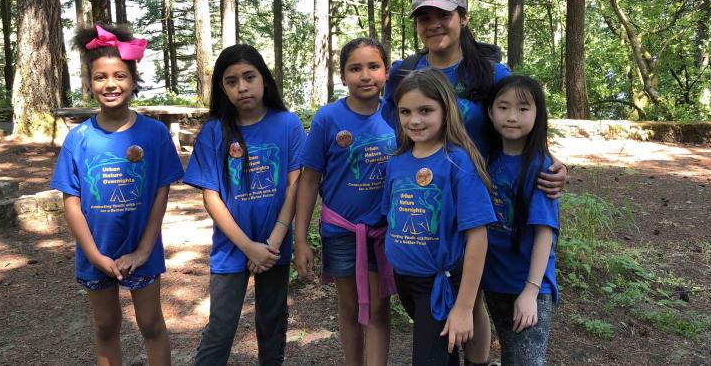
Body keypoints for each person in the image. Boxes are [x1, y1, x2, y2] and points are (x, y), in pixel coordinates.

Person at [383, 0, 567, 366]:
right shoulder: (405, 74)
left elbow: (520, 115)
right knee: (450, 296)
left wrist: (548, 162)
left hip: (480, 198)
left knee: (473, 292)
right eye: (424, 17)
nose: (435, 24)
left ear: (463, 18)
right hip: (429, 203)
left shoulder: (491, 72)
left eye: (444, 15)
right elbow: (394, 132)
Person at [52, 24, 184, 366]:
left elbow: (159, 193)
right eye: (100, 77)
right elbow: (72, 202)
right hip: (97, 254)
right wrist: (94, 254)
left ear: (133, 80)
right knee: (106, 327)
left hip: (142, 252)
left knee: (152, 324)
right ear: (90, 82)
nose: (110, 84)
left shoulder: (154, 134)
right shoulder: (78, 138)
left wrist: (143, 250)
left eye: (120, 76)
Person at [183, 44, 305, 366]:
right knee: (220, 328)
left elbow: (296, 184)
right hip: (231, 248)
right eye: (231, 81)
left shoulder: (288, 124)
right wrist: (249, 247)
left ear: (264, 78)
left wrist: (272, 242)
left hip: (275, 247)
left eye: (249, 77)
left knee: (272, 323)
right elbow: (211, 196)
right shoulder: (212, 132)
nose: (242, 87)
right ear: (222, 88)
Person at [383, 69, 497, 366]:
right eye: (405, 111)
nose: (414, 120)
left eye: (425, 110)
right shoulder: (397, 161)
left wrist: (463, 307)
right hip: (405, 280)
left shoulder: (457, 161)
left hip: (440, 284)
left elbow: (478, 238)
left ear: (446, 111)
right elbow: (391, 216)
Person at [294, 38, 396, 366]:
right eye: (355, 68)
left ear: (387, 72)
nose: (365, 75)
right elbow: (309, 180)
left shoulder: (399, 114)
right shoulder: (328, 119)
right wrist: (300, 240)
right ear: (342, 76)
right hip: (341, 230)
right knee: (350, 307)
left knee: (379, 309)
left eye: (373, 66)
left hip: (385, 230)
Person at [482, 75, 559, 366]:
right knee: (511, 355)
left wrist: (530, 291)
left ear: (538, 114)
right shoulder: (486, 159)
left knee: (527, 360)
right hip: (494, 281)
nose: (512, 116)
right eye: (503, 107)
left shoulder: (542, 168)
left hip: (529, 285)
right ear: (490, 112)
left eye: (523, 109)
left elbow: (544, 234)